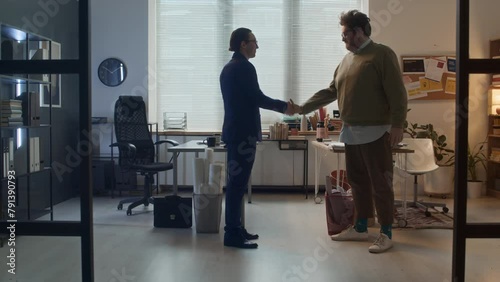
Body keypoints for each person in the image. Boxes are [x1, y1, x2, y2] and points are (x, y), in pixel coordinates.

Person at [290, 10, 407, 253]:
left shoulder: (382, 54)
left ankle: (386, 232)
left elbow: (397, 92)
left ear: (359, 31)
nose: (343, 39)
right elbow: (330, 91)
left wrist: (398, 125)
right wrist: (303, 108)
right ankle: (361, 227)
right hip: (352, 132)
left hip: (377, 131)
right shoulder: (345, 61)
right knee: (357, 181)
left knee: (381, 183)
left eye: (346, 34)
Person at [220, 27, 294, 249]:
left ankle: (237, 228)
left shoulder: (230, 67)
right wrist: (284, 107)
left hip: (236, 134)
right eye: (254, 41)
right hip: (243, 135)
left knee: (237, 185)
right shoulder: (244, 68)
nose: (257, 46)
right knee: (236, 186)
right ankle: (232, 234)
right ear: (243, 44)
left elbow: (247, 100)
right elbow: (257, 98)